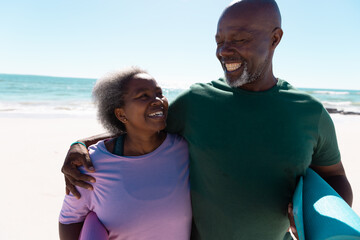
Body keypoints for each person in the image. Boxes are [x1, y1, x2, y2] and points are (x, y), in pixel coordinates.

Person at [61, 1, 353, 239]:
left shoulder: (309, 113)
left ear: (275, 38)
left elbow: (335, 178)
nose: (224, 51)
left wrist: (315, 215)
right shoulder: (197, 102)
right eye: (220, 41)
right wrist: (80, 144)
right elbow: (142, 130)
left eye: (239, 39)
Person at [59, 67, 192, 240]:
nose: (157, 100)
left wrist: (81, 142)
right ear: (121, 114)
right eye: (143, 96)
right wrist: (79, 144)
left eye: (159, 93)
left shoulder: (183, 147)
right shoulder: (91, 164)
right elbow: (69, 219)